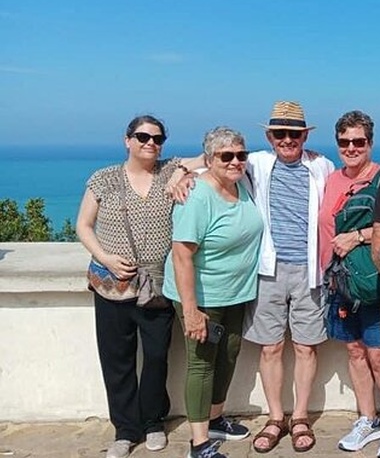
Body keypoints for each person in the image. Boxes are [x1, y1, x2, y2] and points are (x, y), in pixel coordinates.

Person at [76, 115, 191, 458]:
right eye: (142, 137)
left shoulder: (170, 171)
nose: (150, 143)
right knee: (117, 359)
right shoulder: (105, 179)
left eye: (157, 138)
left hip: (156, 286)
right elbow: (84, 225)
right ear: (127, 140)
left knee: (156, 357)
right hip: (112, 284)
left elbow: (208, 159)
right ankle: (125, 430)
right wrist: (106, 257)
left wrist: (184, 171)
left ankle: (153, 421)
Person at [163, 127, 264, 458]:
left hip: (235, 293)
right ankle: (199, 443)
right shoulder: (197, 196)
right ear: (210, 160)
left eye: (240, 154)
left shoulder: (241, 183)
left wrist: (183, 168)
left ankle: (216, 419)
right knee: (202, 363)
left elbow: (203, 160)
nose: (236, 161)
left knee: (230, 353)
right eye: (226, 156)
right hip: (201, 296)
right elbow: (181, 255)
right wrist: (191, 310)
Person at [242, 101, 334, 453]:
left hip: (311, 271)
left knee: (306, 346)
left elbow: (353, 182)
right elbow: (214, 160)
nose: (287, 140)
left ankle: (299, 417)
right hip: (269, 269)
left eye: (293, 134)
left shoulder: (321, 166)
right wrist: (176, 172)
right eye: (279, 133)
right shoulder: (256, 163)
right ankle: (275, 417)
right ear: (269, 136)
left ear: (304, 136)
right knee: (270, 347)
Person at [317, 111, 380, 457]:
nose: (351, 148)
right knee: (355, 351)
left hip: (373, 281)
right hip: (340, 282)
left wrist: (358, 237)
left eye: (358, 142)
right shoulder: (330, 179)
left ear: (370, 144)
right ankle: (368, 419)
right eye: (344, 142)